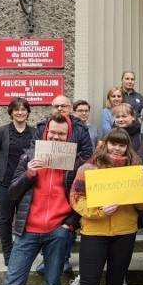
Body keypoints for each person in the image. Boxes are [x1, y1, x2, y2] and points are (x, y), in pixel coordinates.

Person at [0, 113, 82, 285]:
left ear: (68, 136)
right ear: (45, 133)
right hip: (28, 230)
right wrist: (29, 174)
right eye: (52, 133)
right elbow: (12, 192)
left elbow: (80, 198)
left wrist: (69, 225)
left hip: (57, 232)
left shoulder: (74, 163)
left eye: (61, 134)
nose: (56, 138)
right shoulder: (28, 157)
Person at [68, 127, 143, 285]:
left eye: (121, 145)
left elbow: (142, 205)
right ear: (105, 144)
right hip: (94, 233)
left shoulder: (135, 167)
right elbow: (76, 198)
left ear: (127, 147)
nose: (117, 148)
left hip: (125, 233)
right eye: (113, 143)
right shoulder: (88, 168)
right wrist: (98, 212)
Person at [34, 95, 93, 273]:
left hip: (69, 180)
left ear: (70, 108)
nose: (60, 109)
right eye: (56, 106)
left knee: (66, 222)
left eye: (63, 106)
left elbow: (88, 152)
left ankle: (64, 258)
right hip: (45, 181)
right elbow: (34, 148)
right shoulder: (42, 127)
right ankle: (46, 260)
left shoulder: (80, 129)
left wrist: (72, 162)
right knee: (48, 221)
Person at [0, 98, 37, 266]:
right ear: (11, 112)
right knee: (6, 218)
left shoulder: (34, 133)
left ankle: (20, 252)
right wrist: (4, 170)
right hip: (5, 183)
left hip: (26, 183)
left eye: (23, 109)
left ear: (28, 113)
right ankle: (8, 254)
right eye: (16, 109)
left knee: (25, 219)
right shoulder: (1, 132)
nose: (20, 112)